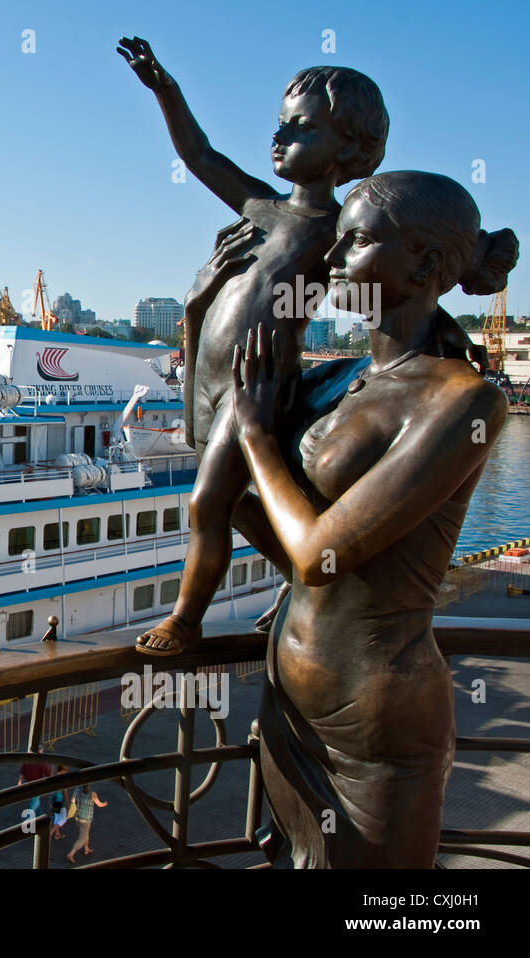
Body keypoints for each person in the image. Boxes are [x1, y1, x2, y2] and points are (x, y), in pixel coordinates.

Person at [229, 170, 516, 866]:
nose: (331, 261)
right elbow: (266, 521)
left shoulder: (464, 401)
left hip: (375, 725)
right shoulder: (345, 380)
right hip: (293, 700)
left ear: (423, 263)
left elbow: (316, 555)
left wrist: (259, 440)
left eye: (354, 242)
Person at [116, 37, 390, 655]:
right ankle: (305, 579)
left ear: (348, 147)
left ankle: (185, 621)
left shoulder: (339, 231)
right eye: (280, 124)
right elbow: (200, 154)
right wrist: (166, 89)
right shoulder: (260, 208)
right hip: (211, 381)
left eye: (301, 129)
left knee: (206, 504)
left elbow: (389, 285)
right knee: (239, 508)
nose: (280, 137)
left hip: (256, 384)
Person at [66, 784, 108, 863]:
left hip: (78, 817)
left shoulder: (77, 790)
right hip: (86, 819)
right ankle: (71, 854)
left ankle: (86, 848)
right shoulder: (92, 794)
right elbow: (100, 805)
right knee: (82, 838)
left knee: (85, 833)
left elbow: (72, 801)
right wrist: (105, 803)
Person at [50, 764, 70, 840]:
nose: (66, 773)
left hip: (54, 800)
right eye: (66, 771)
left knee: (57, 818)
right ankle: (51, 832)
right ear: (62, 770)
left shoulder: (54, 777)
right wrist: (68, 804)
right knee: (63, 819)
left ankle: (57, 835)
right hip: (60, 801)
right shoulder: (63, 779)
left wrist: (50, 803)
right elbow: (65, 792)